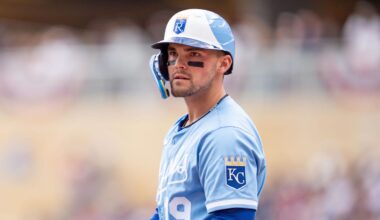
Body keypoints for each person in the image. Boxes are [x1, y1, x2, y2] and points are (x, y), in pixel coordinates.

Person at [148, 9, 266, 220]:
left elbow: (232, 217)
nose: (179, 64)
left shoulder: (224, 134)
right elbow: (165, 212)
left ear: (224, 63)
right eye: (173, 53)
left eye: (194, 53)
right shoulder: (184, 127)